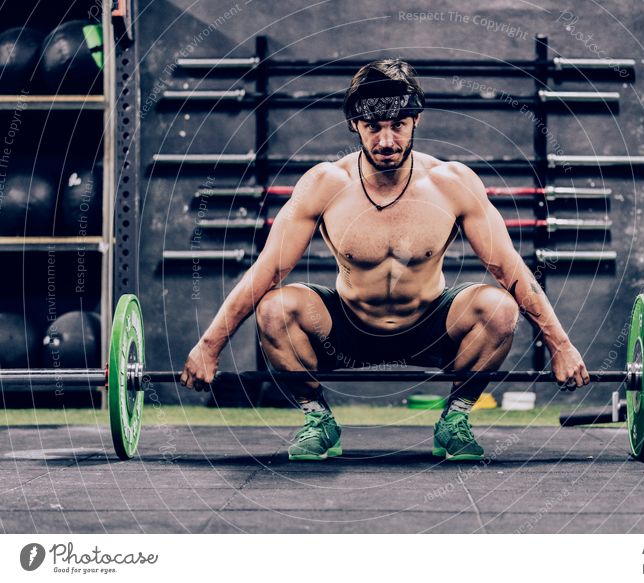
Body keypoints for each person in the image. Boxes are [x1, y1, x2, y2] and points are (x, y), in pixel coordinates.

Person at [180, 58, 589, 461]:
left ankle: (455, 418)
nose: (387, 141)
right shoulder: (325, 184)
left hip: (431, 329)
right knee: (274, 309)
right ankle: (318, 419)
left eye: (398, 125)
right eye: (373, 127)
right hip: (345, 332)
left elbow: (509, 268)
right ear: (355, 125)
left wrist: (561, 345)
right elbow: (267, 271)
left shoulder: (452, 184)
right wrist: (209, 346)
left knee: (499, 308)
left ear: (417, 121)